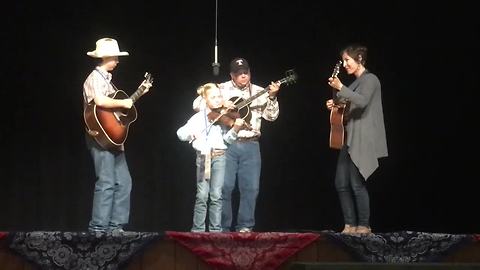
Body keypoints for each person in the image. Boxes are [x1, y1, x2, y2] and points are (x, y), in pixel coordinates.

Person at [193, 57, 281, 232]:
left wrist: (272, 97)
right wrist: (222, 103)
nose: (243, 76)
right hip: (228, 143)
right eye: (239, 73)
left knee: (251, 188)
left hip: (251, 145)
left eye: (246, 72)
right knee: (224, 187)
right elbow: (198, 105)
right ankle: (223, 227)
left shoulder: (259, 91)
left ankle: (245, 226)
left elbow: (271, 116)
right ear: (232, 75)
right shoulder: (221, 89)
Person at [83, 37, 150, 233]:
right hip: (100, 138)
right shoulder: (94, 78)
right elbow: (99, 100)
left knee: (124, 182)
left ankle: (115, 226)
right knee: (106, 182)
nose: (118, 61)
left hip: (113, 139)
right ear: (105, 57)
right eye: (115, 57)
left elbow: (117, 111)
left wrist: (138, 94)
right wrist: (123, 103)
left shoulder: (109, 81)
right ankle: (98, 228)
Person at [326, 44, 388, 235]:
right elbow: (347, 101)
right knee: (341, 183)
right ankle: (350, 225)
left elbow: (361, 101)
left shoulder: (370, 80)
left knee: (355, 183)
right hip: (349, 137)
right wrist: (334, 102)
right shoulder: (354, 83)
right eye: (343, 60)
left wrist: (341, 88)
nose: (345, 64)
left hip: (363, 137)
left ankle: (364, 225)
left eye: (348, 60)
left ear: (359, 58)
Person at [177, 83, 245, 232]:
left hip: (220, 157)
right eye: (213, 97)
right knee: (202, 195)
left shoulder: (223, 117)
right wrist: (191, 134)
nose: (217, 100)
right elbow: (180, 133)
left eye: (219, 96)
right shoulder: (198, 118)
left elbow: (227, 140)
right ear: (205, 99)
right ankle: (198, 230)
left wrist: (235, 129)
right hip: (204, 157)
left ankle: (215, 230)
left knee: (216, 195)